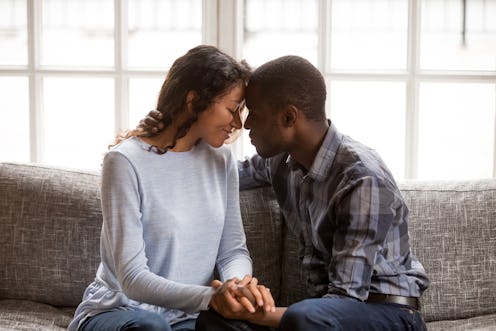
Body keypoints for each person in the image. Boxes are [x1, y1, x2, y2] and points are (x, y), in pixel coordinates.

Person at [140, 55, 430, 330]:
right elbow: (218, 177)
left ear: (289, 117)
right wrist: (157, 148)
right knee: (212, 322)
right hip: (319, 314)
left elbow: (345, 298)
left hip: (388, 313)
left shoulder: (361, 178)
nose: (246, 123)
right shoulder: (280, 160)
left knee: (305, 317)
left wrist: (253, 311)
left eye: (254, 113)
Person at [67, 45, 274, 331]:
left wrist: (236, 288)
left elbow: (232, 251)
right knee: (152, 328)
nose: (237, 122)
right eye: (231, 109)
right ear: (193, 101)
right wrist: (211, 298)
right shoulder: (125, 161)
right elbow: (132, 278)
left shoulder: (221, 160)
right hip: (121, 311)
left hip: (186, 319)